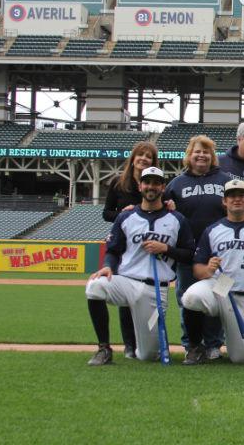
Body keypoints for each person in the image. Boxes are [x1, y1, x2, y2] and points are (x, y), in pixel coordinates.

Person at [85, 167, 196, 365]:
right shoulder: (126, 217)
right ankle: (104, 348)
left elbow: (189, 255)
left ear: (163, 187)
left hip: (155, 290)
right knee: (94, 286)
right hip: (127, 282)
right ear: (140, 186)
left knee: (147, 356)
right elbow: (113, 249)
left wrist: (166, 248)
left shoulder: (177, 219)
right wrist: (109, 266)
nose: (151, 186)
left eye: (156, 183)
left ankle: (149, 343)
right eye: (147, 182)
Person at [181, 179, 244, 365]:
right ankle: (196, 347)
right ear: (224, 201)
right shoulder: (213, 230)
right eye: (231, 196)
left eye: (241, 196)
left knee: (241, 358)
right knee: (191, 297)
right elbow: (197, 269)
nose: (236, 199)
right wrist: (208, 269)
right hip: (222, 286)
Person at [164, 135, 230, 359]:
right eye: (197, 152)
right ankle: (192, 344)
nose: (201, 155)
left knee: (220, 297)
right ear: (189, 156)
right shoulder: (176, 184)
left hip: (221, 255)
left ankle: (213, 344)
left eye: (206, 152)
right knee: (187, 299)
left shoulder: (225, 180)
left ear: (213, 156)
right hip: (189, 255)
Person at [101, 140, 159, 360]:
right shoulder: (119, 182)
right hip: (128, 244)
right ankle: (129, 345)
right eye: (140, 155)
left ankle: (149, 340)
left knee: (151, 296)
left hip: (150, 244)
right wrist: (123, 213)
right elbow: (106, 213)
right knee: (126, 299)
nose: (143, 159)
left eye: (148, 157)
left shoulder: (155, 182)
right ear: (133, 158)